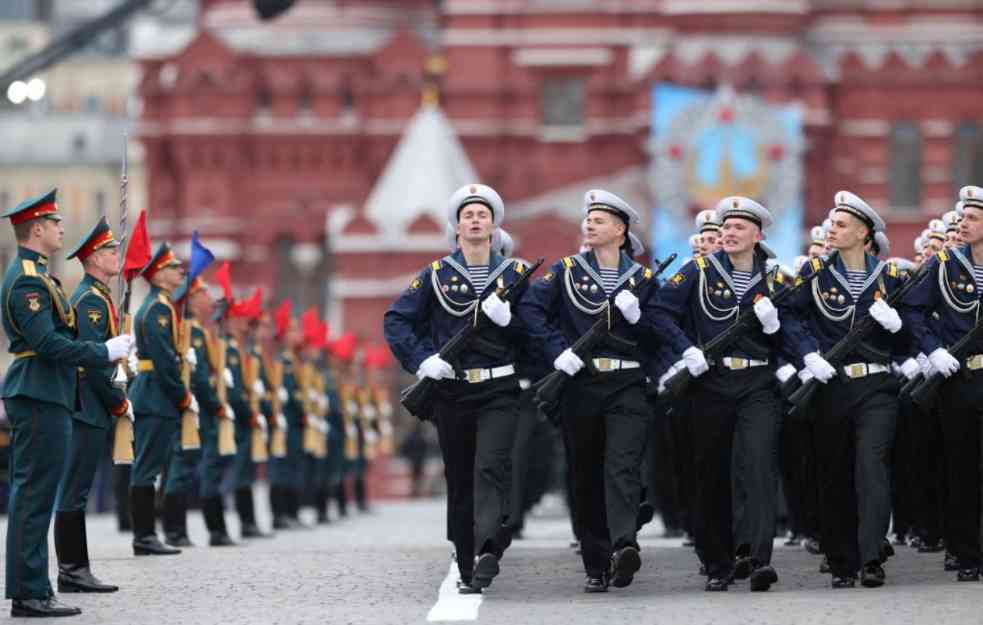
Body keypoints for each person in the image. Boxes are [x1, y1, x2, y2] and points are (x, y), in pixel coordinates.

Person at [649, 196, 802, 592]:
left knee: (759, 467)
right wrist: (687, 349)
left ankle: (757, 558)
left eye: (738, 228)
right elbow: (660, 313)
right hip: (710, 383)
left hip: (758, 385)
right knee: (710, 473)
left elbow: (796, 331)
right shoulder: (697, 270)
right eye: (725, 228)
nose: (729, 234)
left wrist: (775, 328)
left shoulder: (774, 278)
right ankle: (716, 560)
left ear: (758, 235)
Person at [385, 183, 526, 594]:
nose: (476, 220)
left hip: (499, 387)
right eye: (468, 215)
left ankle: (487, 549)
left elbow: (535, 332)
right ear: (457, 227)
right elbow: (397, 321)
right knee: (461, 476)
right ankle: (467, 559)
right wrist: (423, 360)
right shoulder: (435, 275)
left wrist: (509, 322)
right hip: (453, 391)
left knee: (490, 467)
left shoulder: (515, 276)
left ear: (494, 224)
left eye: (483, 214)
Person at [519, 189, 658, 593]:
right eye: (588, 219)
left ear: (620, 230)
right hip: (581, 384)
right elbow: (529, 309)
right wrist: (557, 351)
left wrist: (640, 319)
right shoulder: (565, 271)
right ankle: (595, 562)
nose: (589, 225)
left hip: (628, 384)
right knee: (585, 473)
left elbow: (661, 334)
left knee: (623, 465)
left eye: (599, 220)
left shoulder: (644, 280)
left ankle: (624, 544)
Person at [1, 189, 133, 617]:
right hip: (37, 391)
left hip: (47, 392)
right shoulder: (25, 279)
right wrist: (103, 353)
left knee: (36, 495)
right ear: (36, 230)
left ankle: (33, 587)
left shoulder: (39, 275)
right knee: (35, 496)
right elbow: (46, 343)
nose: (62, 228)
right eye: (55, 223)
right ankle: (29, 592)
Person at [784, 191, 907, 589]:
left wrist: (896, 326)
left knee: (872, 466)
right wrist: (808, 355)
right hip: (831, 384)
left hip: (877, 386)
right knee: (833, 471)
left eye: (840, 225)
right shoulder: (816, 273)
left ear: (862, 233)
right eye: (832, 224)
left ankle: (871, 556)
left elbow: (912, 334)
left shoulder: (890, 278)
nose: (831, 230)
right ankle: (841, 561)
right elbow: (790, 317)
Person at [901, 185, 983, 581]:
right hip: (961, 375)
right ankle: (967, 553)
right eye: (963, 217)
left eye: (972, 218)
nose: (964, 223)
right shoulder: (945, 263)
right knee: (962, 468)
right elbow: (914, 310)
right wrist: (934, 349)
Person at [55, 217, 130, 593]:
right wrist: (118, 403)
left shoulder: (98, 297)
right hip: (87, 405)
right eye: (111, 250)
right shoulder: (90, 301)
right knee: (74, 489)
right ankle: (71, 570)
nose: (117, 255)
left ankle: (76, 569)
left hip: (90, 405)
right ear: (94, 258)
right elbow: (92, 360)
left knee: (78, 488)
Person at [128, 243, 197, 556]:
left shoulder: (163, 305)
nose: (181, 271)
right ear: (158, 275)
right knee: (147, 468)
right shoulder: (157, 309)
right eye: (174, 267)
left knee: (150, 467)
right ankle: (144, 536)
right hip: (156, 395)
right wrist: (182, 396)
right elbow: (164, 360)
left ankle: (147, 535)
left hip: (156, 393)